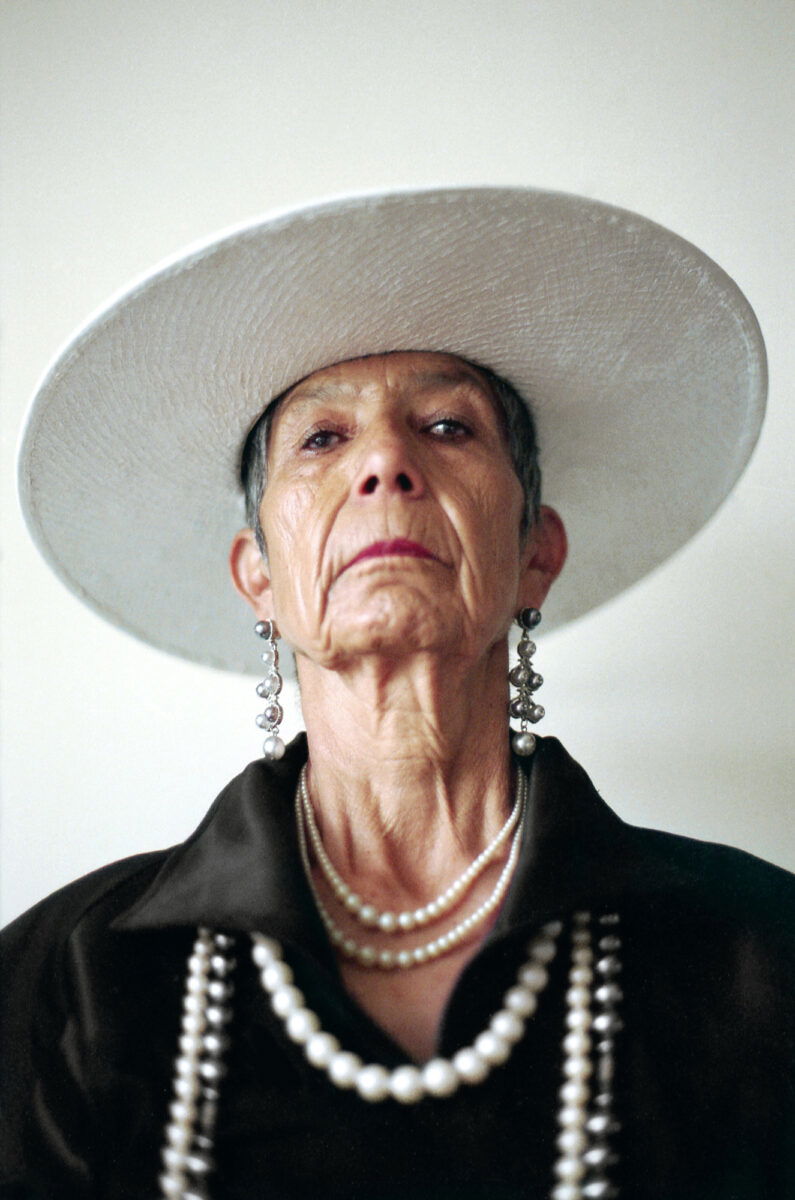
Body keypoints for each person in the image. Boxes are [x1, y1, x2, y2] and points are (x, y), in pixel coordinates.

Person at [2, 187, 793, 1200]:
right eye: (322, 440)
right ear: (259, 579)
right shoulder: (62, 978)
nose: (385, 461)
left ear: (534, 555)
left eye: (447, 425)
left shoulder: (758, 955)